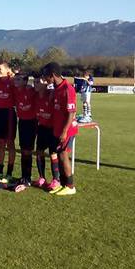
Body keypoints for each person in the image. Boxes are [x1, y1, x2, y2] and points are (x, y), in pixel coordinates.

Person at [42, 62, 79, 196]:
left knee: (63, 155)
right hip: (57, 129)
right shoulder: (57, 88)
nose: (44, 79)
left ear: (52, 75)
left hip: (66, 130)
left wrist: (64, 132)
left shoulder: (67, 89)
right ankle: (63, 185)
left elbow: (71, 113)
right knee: (59, 155)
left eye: (46, 76)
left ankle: (70, 185)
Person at [34, 79, 61, 190]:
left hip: (52, 129)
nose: (35, 84)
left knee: (53, 153)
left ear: (46, 84)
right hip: (42, 127)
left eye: (38, 82)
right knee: (39, 152)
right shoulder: (35, 96)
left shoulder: (52, 94)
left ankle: (56, 180)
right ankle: (42, 178)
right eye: (34, 82)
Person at [0, 61, 17, 180]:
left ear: (7, 70)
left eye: (0, 69)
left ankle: (9, 172)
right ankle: (0, 170)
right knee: (0, 144)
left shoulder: (12, 81)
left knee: (10, 144)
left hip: (9, 114)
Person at [14, 73, 37, 186]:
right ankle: (24, 176)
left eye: (18, 79)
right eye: (15, 79)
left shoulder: (31, 91)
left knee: (28, 150)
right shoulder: (16, 90)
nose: (15, 81)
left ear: (25, 81)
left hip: (31, 122)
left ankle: (28, 177)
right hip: (22, 122)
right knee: (23, 150)